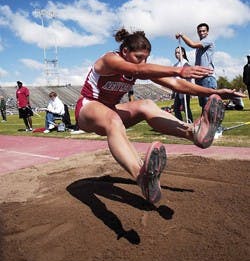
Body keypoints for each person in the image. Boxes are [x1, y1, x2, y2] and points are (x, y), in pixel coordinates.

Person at [75, 28, 244, 205]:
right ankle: (141, 176)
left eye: (146, 59)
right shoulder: (110, 59)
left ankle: (194, 132)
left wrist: (214, 92)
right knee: (113, 119)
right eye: (139, 57)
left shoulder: (138, 66)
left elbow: (177, 85)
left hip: (109, 111)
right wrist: (177, 70)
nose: (143, 62)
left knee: (146, 105)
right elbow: (139, 70)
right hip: (87, 109)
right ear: (125, 51)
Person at [176, 23, 217, 109]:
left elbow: (192, 45)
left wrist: (182, 35)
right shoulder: (199, 47)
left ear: (207, 32)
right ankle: (204, 123)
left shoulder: (208, 41)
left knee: (209, 106)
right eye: (199, 31)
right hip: (199, 78)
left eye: (203, 31)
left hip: (207, 77)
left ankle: (214, 123)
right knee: (203, 106)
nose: (201, 33)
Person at [173, 46, 193, 123]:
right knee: (176, 107)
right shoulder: (176, 65)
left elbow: (189, 77)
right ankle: (180, 123)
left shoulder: (185, 64)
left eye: (178, 52)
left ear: (183, 53)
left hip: (185, 89)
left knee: (186, 107)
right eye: (176, 53)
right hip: (178, 89)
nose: (177, 54)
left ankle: (190, 122)